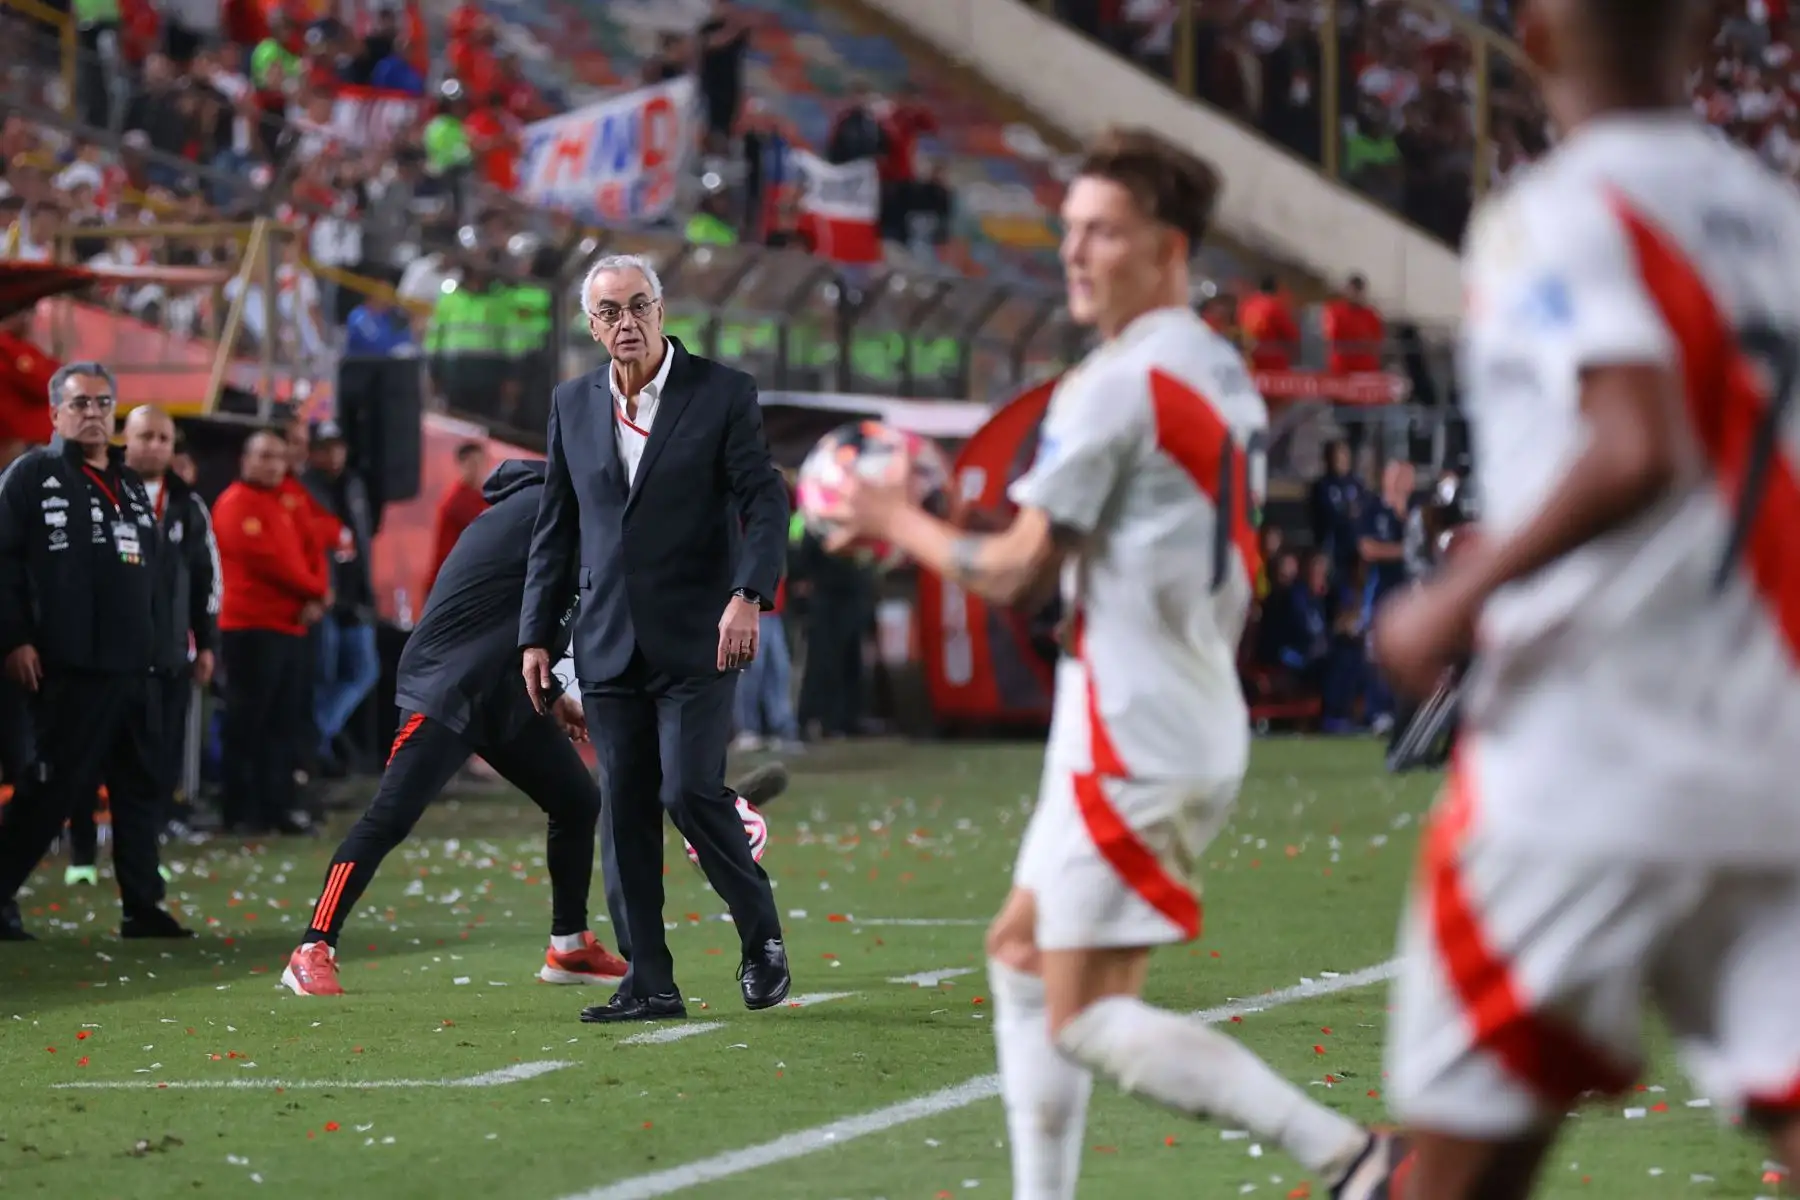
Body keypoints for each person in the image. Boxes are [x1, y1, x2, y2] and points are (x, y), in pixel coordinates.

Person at [821, 129, 1399, 1199]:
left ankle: (1357, 1162)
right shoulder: (1220, 367)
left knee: (1083, 1011)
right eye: (1070, 230)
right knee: (1016, 956)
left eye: (1104, 233)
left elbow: (1014, 576)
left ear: (1169, 248)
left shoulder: (1115, 385)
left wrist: (896, 519)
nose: (1075, 254)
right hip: (1161, 705)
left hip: (1135, 727)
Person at [1369, 0, 1800, 1194]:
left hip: (1587, 752)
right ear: (1709, 38)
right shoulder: (1777, 224)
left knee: (1460, 1160)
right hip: (1772, 747)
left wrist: (1449, 602)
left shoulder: (1553, 218)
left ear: (1537, 40)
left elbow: (1631, 441)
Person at [282, 458, 791, 994]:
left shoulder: (562, 508)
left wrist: (552, 696)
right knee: (389, 817)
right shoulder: (550, 511)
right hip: (449, 689)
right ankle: (313, 945)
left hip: (505, 691)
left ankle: (569, 947)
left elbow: (546, 610)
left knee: (576, 802)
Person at [520, 253, 790, 1025]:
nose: (626, 323)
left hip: (703, 637)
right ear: (591, 323)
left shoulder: (723, 393)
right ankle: (650, 980)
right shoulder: (572, 403)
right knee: (625, 810)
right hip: (606, 643)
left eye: (639, 306)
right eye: (609, 312)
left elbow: (763, 502)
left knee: (687, 791)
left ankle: (761, 933)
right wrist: (536, 635)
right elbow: (556, 528)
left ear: (662, 311)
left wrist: (748, 596)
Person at [0, 363, 188, 940]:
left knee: (138, 789)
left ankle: (142, 906)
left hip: (135, 664)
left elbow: (154, 573)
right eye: (80, 403)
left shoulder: (130, 482)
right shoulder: (30, 475)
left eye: (103, 404)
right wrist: (14, 639)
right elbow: (2, 563)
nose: (93, 414)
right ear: (55, 412)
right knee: (49, 791)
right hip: (67, 664)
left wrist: (164, 649)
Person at [64, 406, 220, 884]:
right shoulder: (94, 493)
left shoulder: (188, 506)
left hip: (166, 657)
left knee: (154, 763)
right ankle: (83, 858)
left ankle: (142, 862)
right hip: (100, 658)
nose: (154, 445)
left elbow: (206, 580)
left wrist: (206, 642)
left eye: (163, 438)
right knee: (87, 760)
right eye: (145, 435)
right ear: (123, 440)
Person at [212, 429, 329, 836]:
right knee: (248, 722)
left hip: (290, 626)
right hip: (251, 627)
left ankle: (276, 807)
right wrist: (317, 591)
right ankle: (238, 810)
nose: (271, 464)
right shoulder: (234, 504)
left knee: (283, 723)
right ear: (245, 460)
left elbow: (315, 543)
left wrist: (317, 593)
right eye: (263, 456)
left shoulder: (286, 500)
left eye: (278, 457)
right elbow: (272, 563)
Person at [302, 420, 381, 773]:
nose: (334, 454)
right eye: (326, 448)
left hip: (356, 598)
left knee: (364, 671)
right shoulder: (302, 489)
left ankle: (314, 735)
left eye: (338, 447)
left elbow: (361, 542)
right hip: (321, 599)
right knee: (323, 676)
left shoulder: (355, 485)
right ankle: (313, 743)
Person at [422, 440, 489, 598]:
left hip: (459, 584)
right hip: (447, 587)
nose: (479, 469)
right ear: (462, 465)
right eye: (473, 464)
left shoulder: (480, 497)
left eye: (482, 463)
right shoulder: (457, 500)